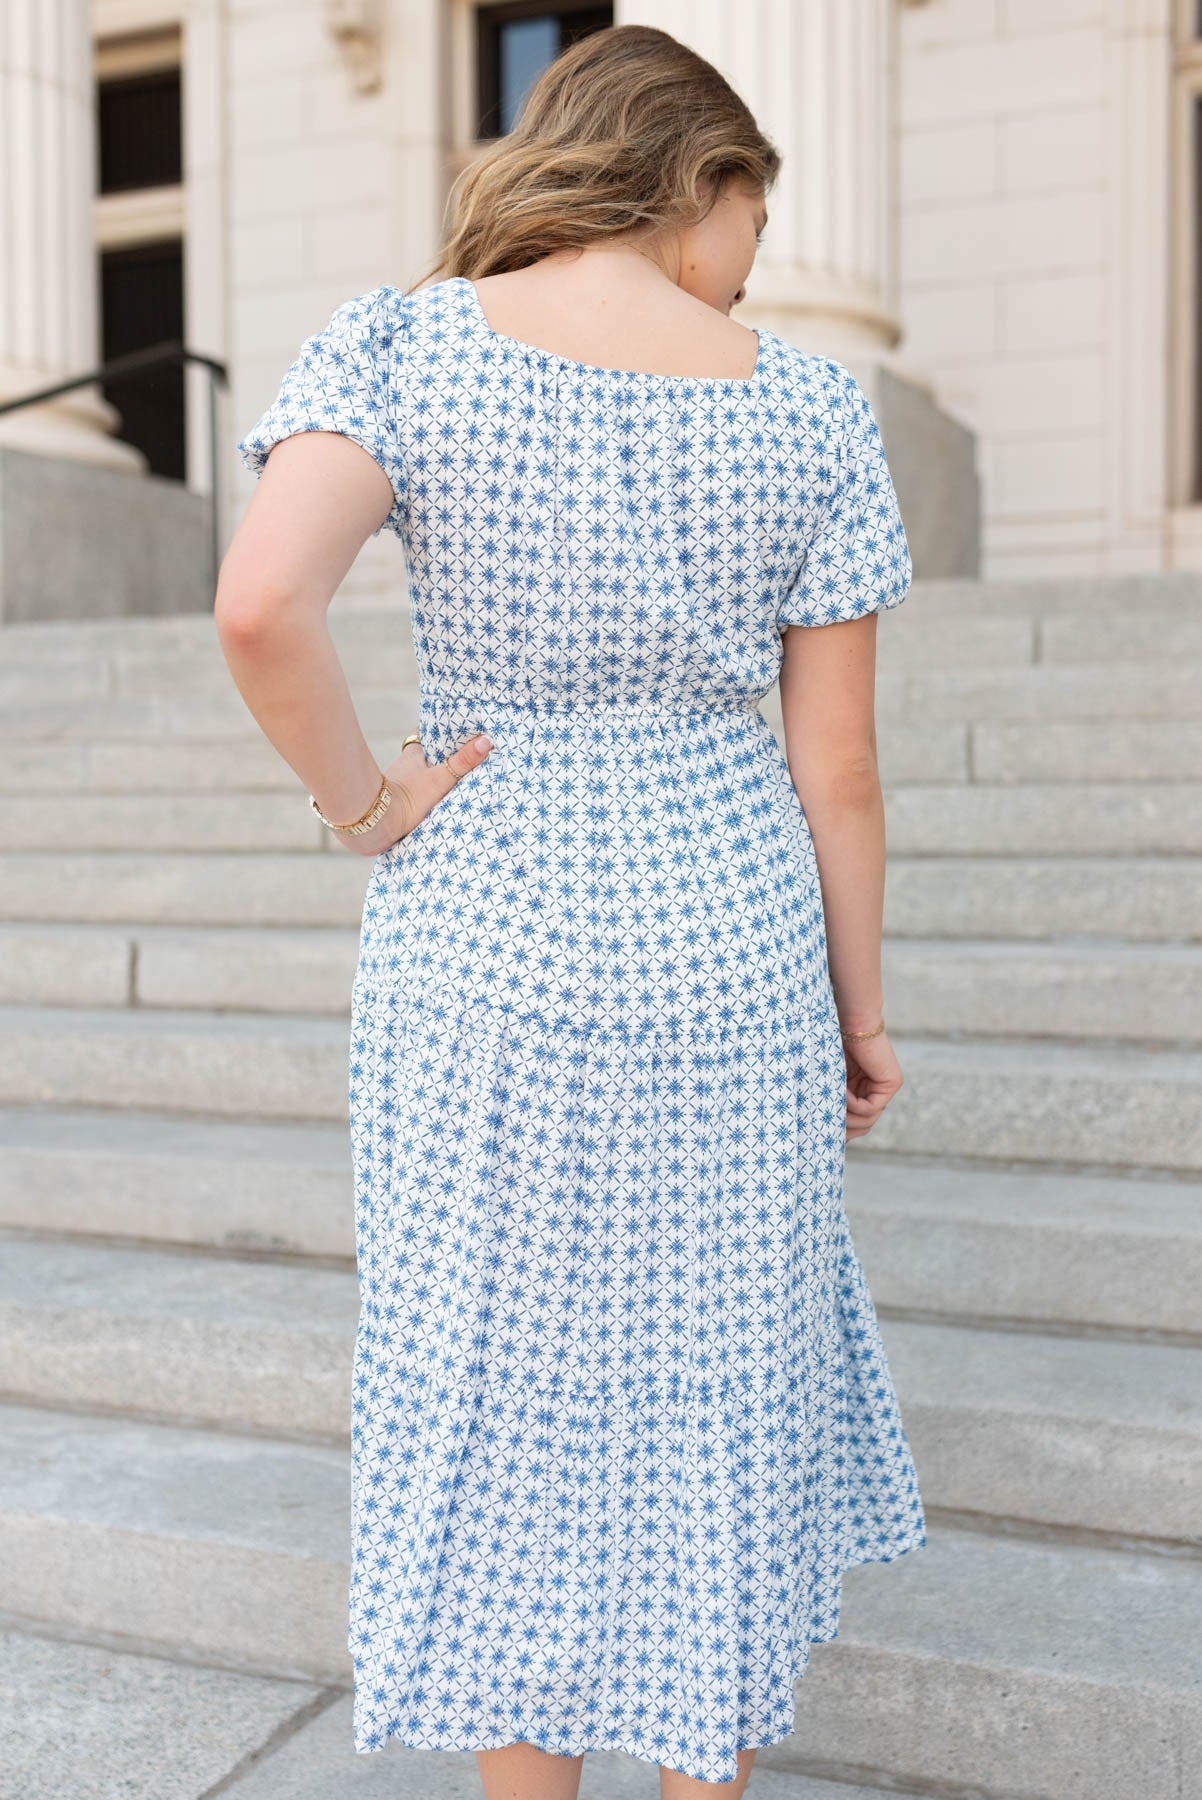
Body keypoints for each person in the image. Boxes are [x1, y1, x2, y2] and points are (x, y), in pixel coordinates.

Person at [218, 23, 926, 1800]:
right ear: (693, 178)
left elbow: (257, 610)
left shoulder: (402, 341)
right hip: (730, 937)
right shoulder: (808, 405)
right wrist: (858, 1010)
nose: (744, 272)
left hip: (484, 930)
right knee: (718, 1402)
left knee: (504, 1402)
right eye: (744, 228)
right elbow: (834, 769)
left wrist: (365, 805)